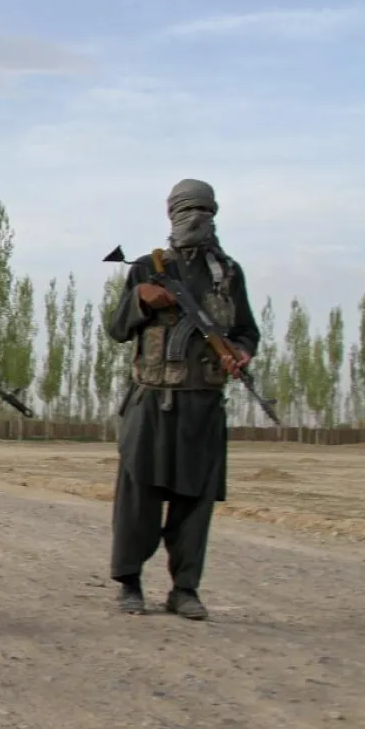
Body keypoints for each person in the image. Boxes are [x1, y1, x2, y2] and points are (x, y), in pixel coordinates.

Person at [105, 178, 260, 621]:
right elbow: (117, 329)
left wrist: (241, 352)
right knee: (138, 498)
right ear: (171, 214)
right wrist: (141, 301)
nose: (196, 219)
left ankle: (184, 589)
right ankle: (130, 583)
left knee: (195, 502)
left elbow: (246, 330)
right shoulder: (146, 267)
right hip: (151, 402)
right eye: (188, 210)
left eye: (205, 211)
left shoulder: (228, 274)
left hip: (203, 404)